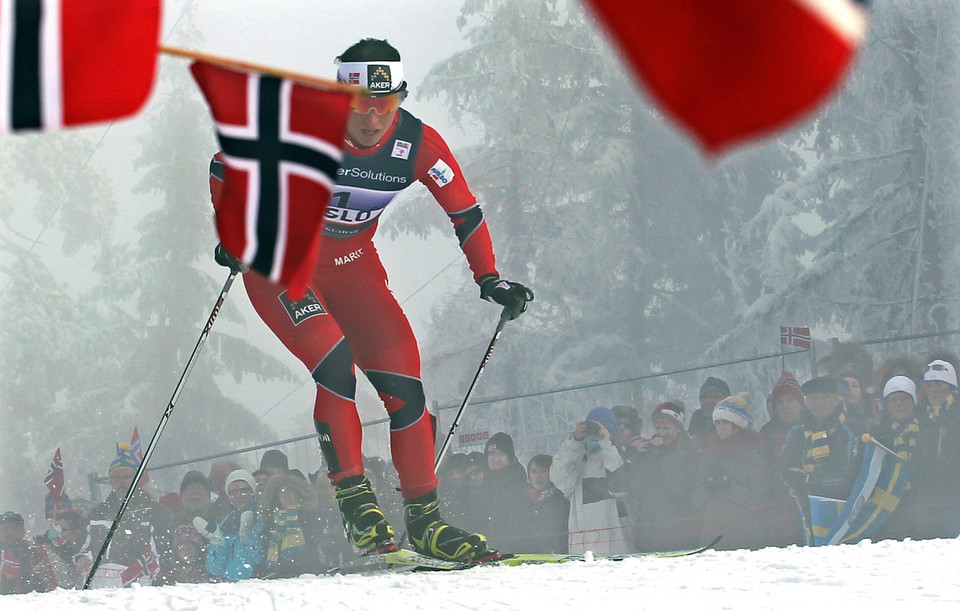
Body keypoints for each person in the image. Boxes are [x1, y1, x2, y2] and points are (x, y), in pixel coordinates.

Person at [209, 38, 533, 563]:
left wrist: (489, 277)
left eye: (387, 104)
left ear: (400, 100)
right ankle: (357, 503)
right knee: (335, 364)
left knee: (407, 387)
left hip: (353, 267)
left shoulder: (419, 143)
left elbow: (465, 211)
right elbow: (224, 167)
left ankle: (426, 521)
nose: (374, 118)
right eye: (361, 104)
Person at [78, 443, 166, 588]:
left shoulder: (154, 511)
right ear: (110, 481)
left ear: (136, 479)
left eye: (127, 477)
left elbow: (163, 553)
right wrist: (82, 559)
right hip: (100, 587)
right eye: (116, 477)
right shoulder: (98, 513)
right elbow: (83, 547)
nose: (122, 482)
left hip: (140, 587)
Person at [692, 395, 768, 550]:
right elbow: (695, 500)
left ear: (738, 424)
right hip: (712, 535)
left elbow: (760, 500)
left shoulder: (754, 455)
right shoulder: (710, 454)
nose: (721, 427)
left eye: (726, 422)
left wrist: (728, 486)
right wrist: (707, 488)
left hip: (746, 536)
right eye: (718, 423)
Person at [551, 407, 630, 554]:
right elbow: (559, 479)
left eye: (600, 428)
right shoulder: (577, 460)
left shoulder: (619, 456)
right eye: (592, 428)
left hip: (616, 543)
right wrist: (575, 442)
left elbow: (620, 483)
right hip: (583, 546)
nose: (595, 434)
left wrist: (606, 444)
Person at [624, 402, 700, 552]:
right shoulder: (650, 451)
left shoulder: (689, 452)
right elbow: (636, 489)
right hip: (650, 529)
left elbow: (682, 491)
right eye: (658, 428)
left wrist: (665, 456)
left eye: (666, 428)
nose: (661, 433)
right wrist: (640, 458)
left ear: (678, 429)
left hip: (681, 530)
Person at [779, 377, 860, 500]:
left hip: (844, 503)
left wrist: (815, 482)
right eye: (813, 398)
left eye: (824, 397)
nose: (819, 403)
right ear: (807, 403)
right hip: (804, 505)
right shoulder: (796, 433)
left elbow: (855, 471)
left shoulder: (853, 430)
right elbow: (784, 469)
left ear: (835, 400)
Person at [911, 358, 960, 538]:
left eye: (938, 384)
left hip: (955, 491)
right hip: (930, 491)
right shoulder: (922, 416)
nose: (934, 390)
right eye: (930, 385)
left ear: (950, 386)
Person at [196, 469, 264, 581]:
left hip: (257, 585)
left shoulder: (262, 519)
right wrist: (217, 543)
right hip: (232, 589)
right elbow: (214, 569)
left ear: (252, 491)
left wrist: (247, 539)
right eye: (233, 492)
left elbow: (259, 560)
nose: (239, 495)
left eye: (243, 490)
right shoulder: (225, 525)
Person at [259, 471, 325, 577]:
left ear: (298, 493)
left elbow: (317, 544)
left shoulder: (309, 516)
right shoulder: (272, 523)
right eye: (282, 492)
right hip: (281, 576)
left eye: (290, 490)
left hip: (310, 574)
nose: (286, 495)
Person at [477, 432, 531, 553]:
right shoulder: (483, 487)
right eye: (491, 454)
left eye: (501, 454)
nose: (496, 459)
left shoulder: (520, 485)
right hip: (486, 554)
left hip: (518, 554)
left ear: (510, 456)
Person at [524, 454, 569, 554]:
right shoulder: (522, 501)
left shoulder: (562, 499)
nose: (538, 477)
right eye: (534, 472)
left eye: (544, 471)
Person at [34, 510, 89, 590]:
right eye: (54, 527)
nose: (55, 532)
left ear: (75, 534)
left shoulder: (83, 559)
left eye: (60, 529)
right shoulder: (40, 550)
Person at [0, 511, 52, 594]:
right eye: (5, 529)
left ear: (23, 531)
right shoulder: (30, 549)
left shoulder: (33, 550)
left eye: (14, 528)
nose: (10, 532)